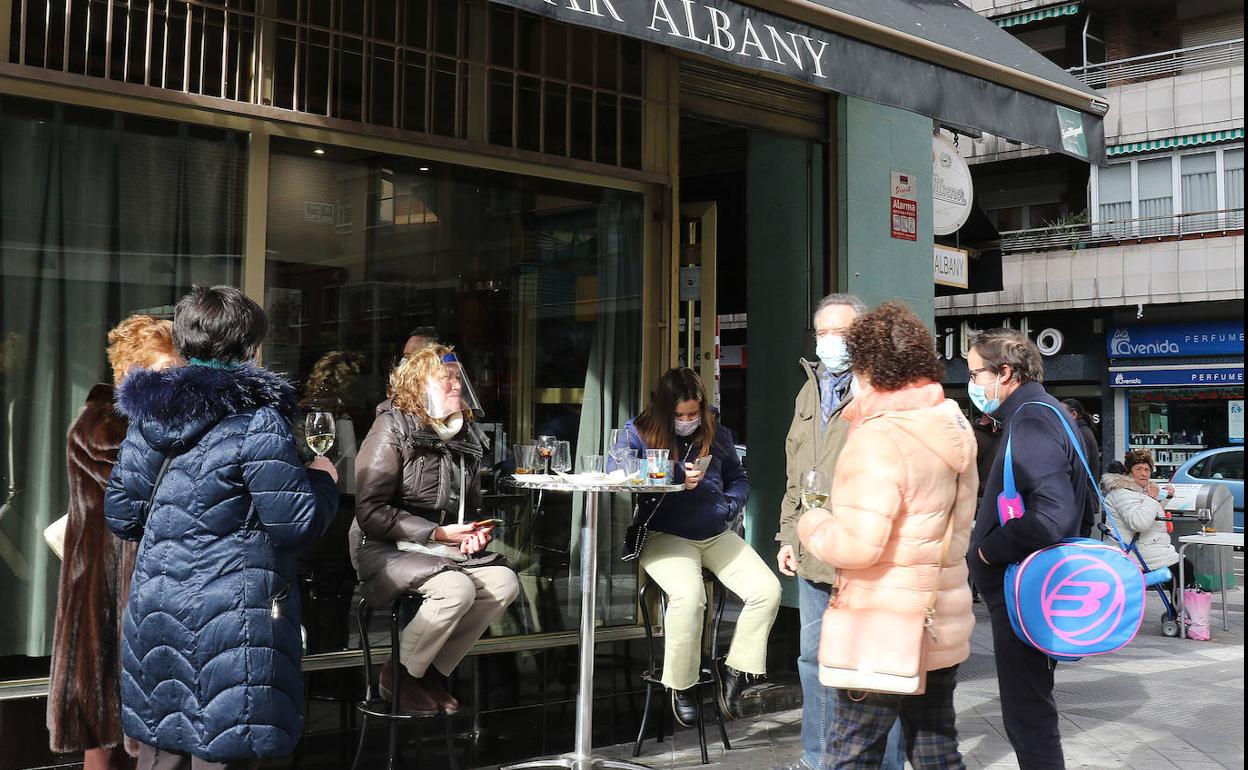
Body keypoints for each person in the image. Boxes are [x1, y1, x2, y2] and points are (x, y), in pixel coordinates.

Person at [104, 286, 340, 770]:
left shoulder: (147, 417)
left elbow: (122, 516)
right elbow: (296, 524)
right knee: (227, 748)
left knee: (162, 751)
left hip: (159, 609)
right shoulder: (258, 420)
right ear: (250, 348)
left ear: (185, 344)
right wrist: (324, 480)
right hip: (234, 618)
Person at [797, 301, 977, 769]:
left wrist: (812, 525)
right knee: (936, 749)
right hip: (939, 616)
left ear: (869, 366)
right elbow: (957, 533)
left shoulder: (879, 436)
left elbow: (858, 544)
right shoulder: (951, 422)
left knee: (850, 754)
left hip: (881, 624)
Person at [772, 293, 905, 770]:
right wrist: (788, 535)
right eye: (822, 333)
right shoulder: (809, 387)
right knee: (814, 661)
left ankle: (885, 764)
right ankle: (818, 759)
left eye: (841, 332)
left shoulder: (885, 389)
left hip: (867, 554)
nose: (830, 342)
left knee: (872, 668)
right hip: (813, 549)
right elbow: (796, 471)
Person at [350, 344, 519, 715]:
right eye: (446, 379)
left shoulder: (465, 433)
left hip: (437, 549)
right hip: (385, 545)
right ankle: (398, 675)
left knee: (505, 583)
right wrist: (438, 534)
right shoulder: (392, 426)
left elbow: (469, 509)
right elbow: (370, 511)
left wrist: (475, 533)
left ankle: (429, 674)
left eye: (458, 377)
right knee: (454, 589)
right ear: (419, 385)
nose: (456, 385)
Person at [47, 316, 178, 770]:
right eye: (164, 371)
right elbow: (143, 490)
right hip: (104, 585)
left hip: (137, 586)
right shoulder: (104, 427)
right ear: (131, 374)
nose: (174, 383)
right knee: (103, 728)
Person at [617, 368, 781, 726]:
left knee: (767, 590)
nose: (688, 421)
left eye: (694, 413)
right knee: (690, 597)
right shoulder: (638, 432)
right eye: (680, 415)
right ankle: (683, 685)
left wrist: (731, 503)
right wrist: (675, 475)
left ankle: (737, 670)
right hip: (664, 533)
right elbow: (624, 473)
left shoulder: (717, 432)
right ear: (664, 410)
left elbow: (738, 477)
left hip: (715, 530)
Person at [965, 328, 1095, 770]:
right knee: (1030, 709)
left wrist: (987, 551)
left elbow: (1052, 515)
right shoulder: (1046, 412)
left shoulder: (1034, 419)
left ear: (1005, 372)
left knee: (1028, 714)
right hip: (1034, 586)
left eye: (976, 373)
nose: (973, 384)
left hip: (1024, 591)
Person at [1102, 450, 1193, 600]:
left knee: (1183, 567)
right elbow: (1139, 523)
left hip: (1145, 549)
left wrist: (1163, 497)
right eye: (1138, 469)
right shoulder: (1121, 493)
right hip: (1134, 554)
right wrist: (1152, 497)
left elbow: (1146, 511)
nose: (1144, 474)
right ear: (1129, 471)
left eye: (1147, 470)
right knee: (1183, 568)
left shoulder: (1135, 491)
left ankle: (1179, 611)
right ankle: (1182, 613)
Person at [1062, 399, 1101, 537]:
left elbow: (1078, 469)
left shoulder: (1080, 434)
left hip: (1081, 501)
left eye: (1061, 412)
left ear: (1073, 414)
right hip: (1082, 500)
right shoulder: (1082, 432)